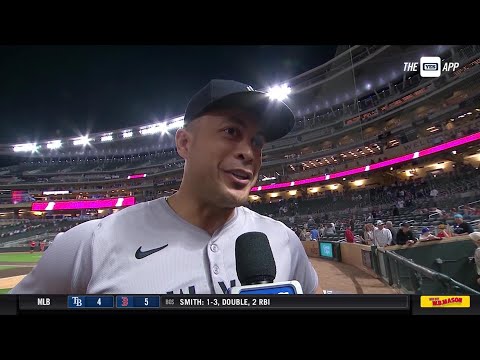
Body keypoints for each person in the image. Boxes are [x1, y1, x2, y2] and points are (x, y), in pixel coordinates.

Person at [10, 79, 319, 294]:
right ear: (185, 143)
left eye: (257, 141)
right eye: (231, 131)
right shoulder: (91, 243)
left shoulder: (283, 240)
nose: (248, 152)